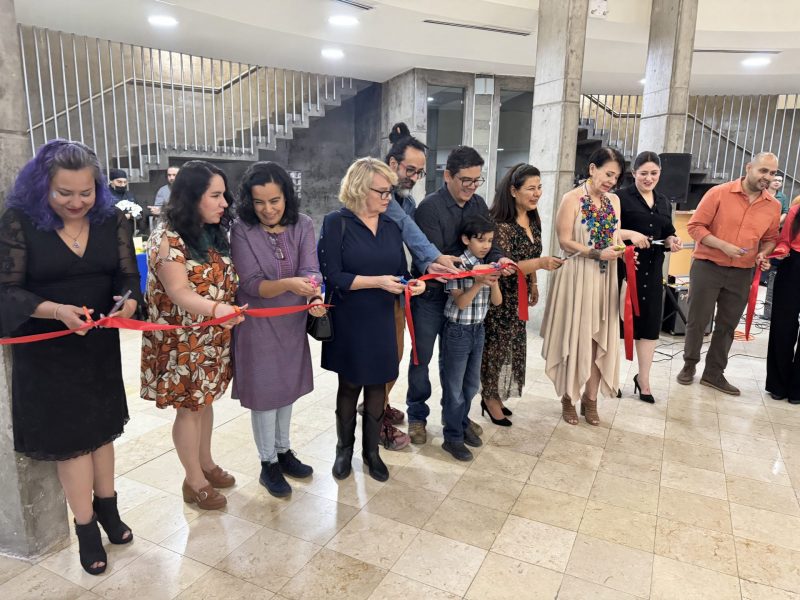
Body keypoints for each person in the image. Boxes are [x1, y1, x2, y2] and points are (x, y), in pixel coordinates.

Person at [0, 140, 141, 575]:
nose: (77, 202)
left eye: (86, 192)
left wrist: (128, 301)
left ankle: (108, 508)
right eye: (64, 193)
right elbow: (7, 290)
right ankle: (85, 526)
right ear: (42, 187)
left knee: (102, 432)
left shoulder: (112, 219)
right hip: (47, 349)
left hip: (97, 345)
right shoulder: (19, 222)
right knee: (72, 443)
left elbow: (127, 275)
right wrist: (57, 311)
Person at [140, 160, 244, 510]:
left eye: (224, 195)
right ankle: (194, 481)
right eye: (215, 195)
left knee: (204, 403)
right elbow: (179, 292)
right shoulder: (167, 238)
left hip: (211, 338)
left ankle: (206, 463)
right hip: (182, 344)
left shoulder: (211, 233)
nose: (224, 203)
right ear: (191, 196)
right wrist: (218, 310)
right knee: (189, 409)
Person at [318, 157, 425, 482]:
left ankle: (371, 452)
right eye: (382, 191)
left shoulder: (391, 226)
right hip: (350, 318)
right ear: (359, 189)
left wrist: (412, 284)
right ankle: (343, 450)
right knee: (350, 386)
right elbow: (333, 276)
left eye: (390, 191)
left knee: (378, 385)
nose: (388, 198)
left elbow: (400, 272)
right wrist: (377, 281)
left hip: (382, 317)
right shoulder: (336, 223)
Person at [367, 122, 461, 450]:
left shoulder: (405, 201)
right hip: (367, 292)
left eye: (420, 172)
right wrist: (434, 256)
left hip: (395, 288)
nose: (415, 178)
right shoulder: (376, 199)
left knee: (392, 356)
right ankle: (374, 420)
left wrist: (428, 266)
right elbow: (408, 228)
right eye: (410, 170)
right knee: (376, 359)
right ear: (392, 164)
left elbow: (409, 237)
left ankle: (378, 405)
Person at [408, 145, 510, 444]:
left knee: (459, 365)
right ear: (447, 176)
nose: (472, 186)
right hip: (432, 296)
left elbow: (489, 243)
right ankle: (417, 415)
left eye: (477, 180)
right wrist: (474, 267)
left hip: (466, 299)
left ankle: (456, 417)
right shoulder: (429, 208)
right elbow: (432, 255)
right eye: (466, 180)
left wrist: (500, 259)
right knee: (422, 358)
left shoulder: (478, 204)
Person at [541, 147, 649, 426]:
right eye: (608, 174)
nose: (612, 181)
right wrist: (596, 253)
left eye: (616, 177)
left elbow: (614, 236)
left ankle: (590, 399)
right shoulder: (571, 198)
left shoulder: (614, 201)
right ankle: (569, 396)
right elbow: (565, 241)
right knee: (576, 335)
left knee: (599, 337)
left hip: (604, 279)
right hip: (577, 275)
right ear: (592, 169)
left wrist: (623, 252)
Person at [230, 162, 320, 497]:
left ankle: (283, 452)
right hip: (257, 323)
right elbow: (251, 284)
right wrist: (289, 284)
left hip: (291, 322)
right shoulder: (242, 229)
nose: (268, 209)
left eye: (274, 201)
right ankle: (267, 462)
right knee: (265, 394)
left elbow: (312, 269)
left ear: (287, 197)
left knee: (286, 389)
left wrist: (314, 292)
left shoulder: (303, 224)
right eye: (259, 202)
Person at [676, 152, 781, 395]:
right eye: (763, 170)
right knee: (698, 320)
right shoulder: (719, 193)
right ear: (749, 167)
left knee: (727, 324)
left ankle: (713, 373)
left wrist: (763, 254)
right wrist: (722, 245)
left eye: (773, 173)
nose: (767, 177)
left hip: (742, 272)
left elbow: (770, 238)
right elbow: (695, 226)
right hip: (708, 266)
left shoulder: (773, 206)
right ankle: (689, 365)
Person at [481, 164, 563, 425]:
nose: (537, 193)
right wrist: (540, 264)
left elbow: (532, 254)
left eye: (539, 187)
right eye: (531, 188)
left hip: (520, 297)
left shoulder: (533, 220)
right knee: (495, 348)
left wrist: (534, 283)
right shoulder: (500, 225)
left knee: (510, 346)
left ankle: (496, 395)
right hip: (501, 297)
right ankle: (489, 398)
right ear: (513, 191)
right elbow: (507, 268)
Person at [616, 152, 682, 403]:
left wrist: (672, 240)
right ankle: (613, 377)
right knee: (619, 326)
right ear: (634, 173)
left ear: (660, 174)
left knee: (649, 328)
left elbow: (667, 233)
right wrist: (630, 234)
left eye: (654, 173)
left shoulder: (663, 201)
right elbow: (609, 231)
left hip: (653, 272)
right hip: (625, 271)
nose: (648, 178)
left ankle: (643, 380)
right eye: (643, 173)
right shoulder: (620, 197)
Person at [440, 216, 502, 461]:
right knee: (454, 388)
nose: (486, 245)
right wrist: (477, 282)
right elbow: (461, 303)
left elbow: (497, 301)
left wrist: (493, 281)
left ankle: (462, 423)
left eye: (490, 241)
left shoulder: (488, 264)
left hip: (478, 330)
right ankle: (452, 437)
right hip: (457, 331)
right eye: (480, 240)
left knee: (471, 385)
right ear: (466, 240)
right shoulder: (456, 266)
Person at [766, 201, 800, 404]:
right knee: (783, 326)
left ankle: (798, 389)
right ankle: (778, 384)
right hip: (793, 265)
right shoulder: (797, 209)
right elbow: (784, 240)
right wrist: (779, 250)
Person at [108, 168, 143, 234]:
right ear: (111, 181)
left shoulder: (130, 196)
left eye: (125, 182)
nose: (123, 185)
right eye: (119, 182)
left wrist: (131, 215)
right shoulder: (105, 196)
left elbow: (140, 215)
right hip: (111, 232)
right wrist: (123, 217)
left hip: (130, 232)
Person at [150, 166, 179, 230]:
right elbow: (158, 208)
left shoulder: (187, 189)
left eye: (174, 175)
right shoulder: (162, 190)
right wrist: (156, 210)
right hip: (168, 227)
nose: (171, 178)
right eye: (169, 175)